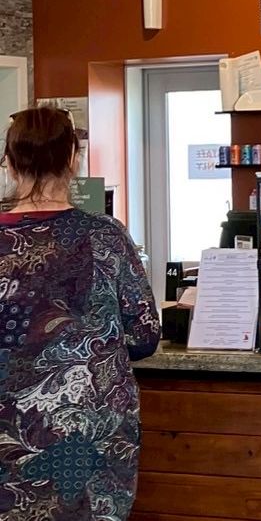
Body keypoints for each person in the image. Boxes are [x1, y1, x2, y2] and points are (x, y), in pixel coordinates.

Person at [0, 106, 160, 520]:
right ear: (73, 158)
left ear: (9, 162)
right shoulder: (103, 235)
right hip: (86, 432)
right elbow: (144, 334)